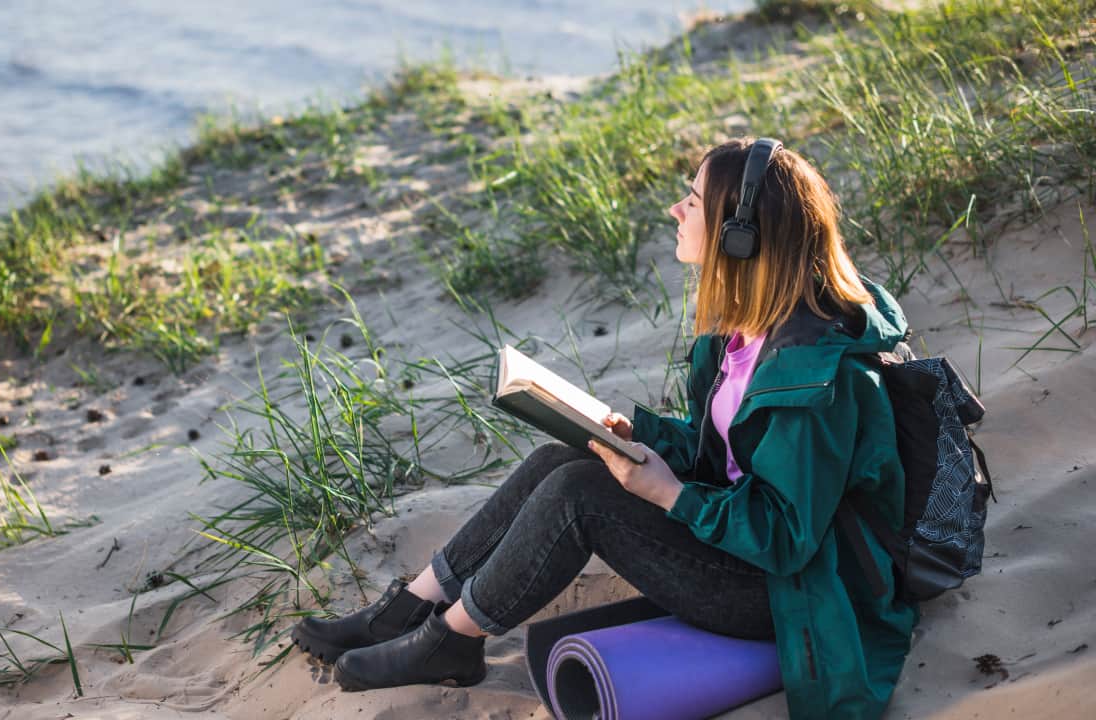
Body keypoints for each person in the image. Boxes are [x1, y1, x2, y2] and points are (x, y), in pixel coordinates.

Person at [292, 137, 917, 719]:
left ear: (740, 234)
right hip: (746, 552)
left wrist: (668, 493)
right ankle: (411, 609)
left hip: (790, 592)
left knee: (578, 497)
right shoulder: (743, 336)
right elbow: (727, 457)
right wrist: (637, 435)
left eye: (693, 200)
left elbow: (788, 537)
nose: (677, 209)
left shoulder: (821, 377)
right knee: (558, 461)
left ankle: (449, 642)